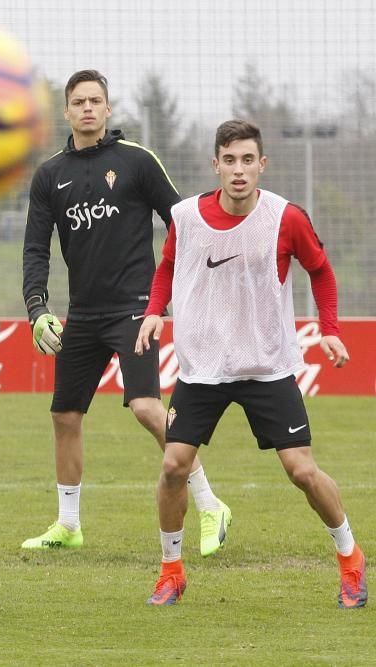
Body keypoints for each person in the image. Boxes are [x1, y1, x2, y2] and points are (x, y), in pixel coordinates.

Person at [137, 119, 366, 608]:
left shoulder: (287, 218)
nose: (238, 170)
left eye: (247, 160)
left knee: (301, 470)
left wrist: (330, 329)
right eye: (229, 160)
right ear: (215, 164)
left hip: (266, 365)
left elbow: (321, 271)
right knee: (174, 466)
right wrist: (154, 311)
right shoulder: (185, 217)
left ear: (261, 164)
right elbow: (168, 267)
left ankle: (350, 559)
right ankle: (171, 572)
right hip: (203, 367)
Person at [20, 69, 231, 554]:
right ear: (67, 111)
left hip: (136, 307)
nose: (88, 108)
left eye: (96, 100)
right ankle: (68, 525)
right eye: (79, 101)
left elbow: (180, 221)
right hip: (83, 313)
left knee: (144, 407)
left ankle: (211, 503)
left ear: (108, 109)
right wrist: (36, 307)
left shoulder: (136, 161)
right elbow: (36, 248)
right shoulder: (50, 175)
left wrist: (185, 288)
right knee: (65, 415)